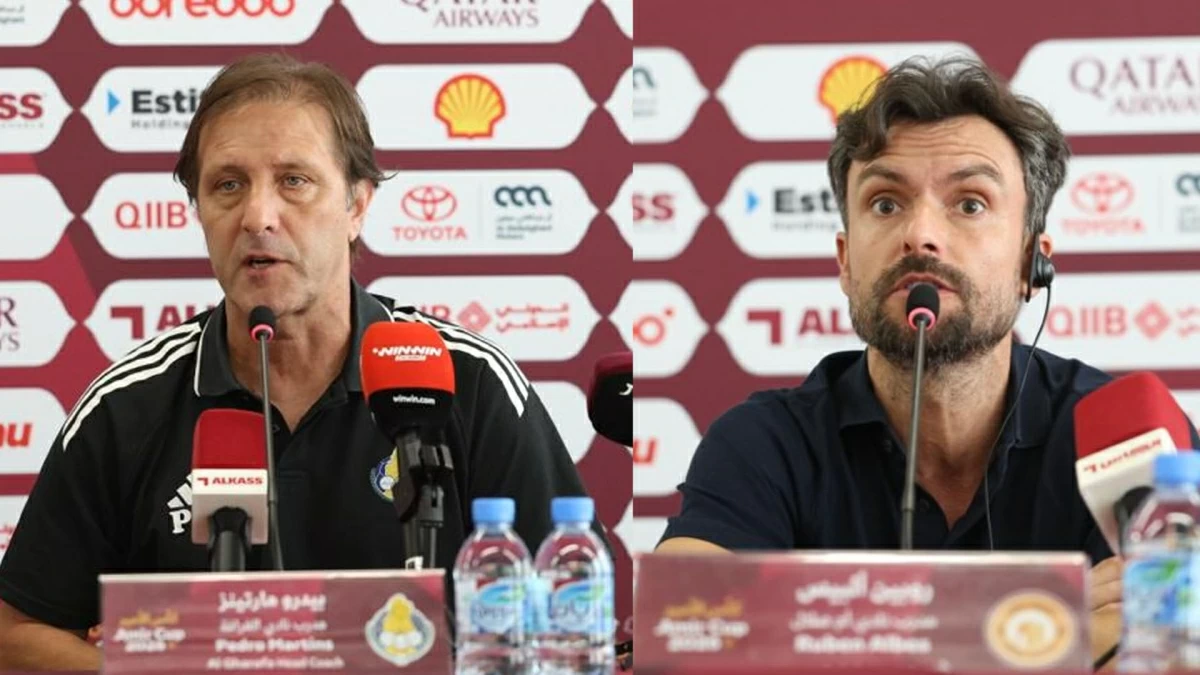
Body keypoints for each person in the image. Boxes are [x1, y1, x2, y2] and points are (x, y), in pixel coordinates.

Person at [0, 53, 600, 670]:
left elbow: (572, 614)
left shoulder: (465, 380)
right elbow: (14, 634)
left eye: (294, 181)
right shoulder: (129, 404)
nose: (258, 217)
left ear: (357, 205)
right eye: (227, 185)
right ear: (198, 211)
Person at [655, 57, 1199, 666]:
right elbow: (682, 636)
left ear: (1032, 264)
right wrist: (1041, 629)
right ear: (845, 262)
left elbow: (1179, 651)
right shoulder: (765, 443)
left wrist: (820, 629)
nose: (920, 234)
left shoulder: (1124, 438)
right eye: (886, 204)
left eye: (970, 204)